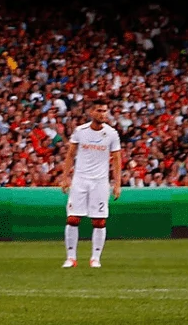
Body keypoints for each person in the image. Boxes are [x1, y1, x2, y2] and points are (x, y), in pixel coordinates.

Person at [61, 97, 123, 269]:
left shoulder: (111, 133)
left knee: (99, 221)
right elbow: (70, 155)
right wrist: (65, 177)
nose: (103, 114)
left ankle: (95, 258)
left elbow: (117, 160)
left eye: (105, 111)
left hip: (100, 182)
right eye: (99, 110)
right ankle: (71, 258)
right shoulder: (80, 131)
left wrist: (117, 184)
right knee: (73, 218)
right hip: (80, 180)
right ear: (91, 112)